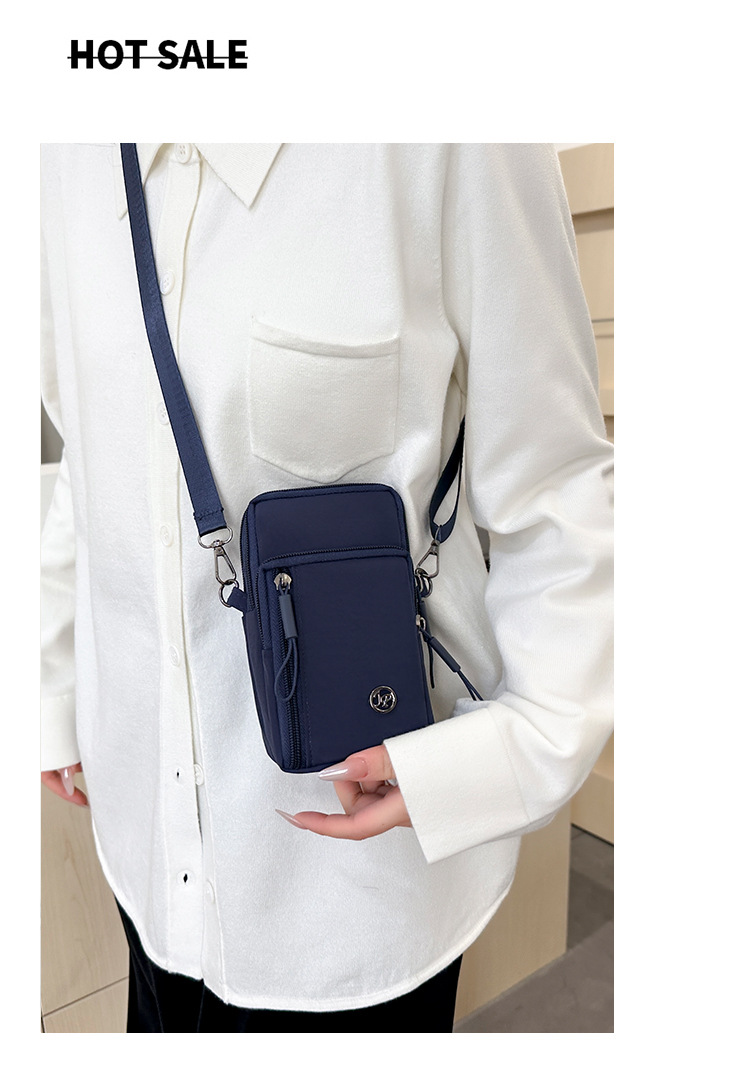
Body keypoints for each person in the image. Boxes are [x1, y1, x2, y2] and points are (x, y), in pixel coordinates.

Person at [41, 142, 614, 1032]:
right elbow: (85, 456)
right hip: (141, 844)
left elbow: (558, 485)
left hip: (355, 903)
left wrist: (513, 754)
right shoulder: (63, 157)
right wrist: (53, 687)